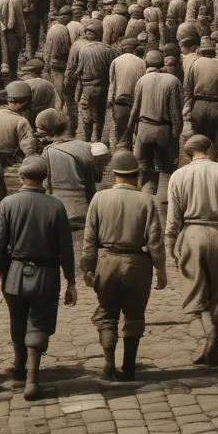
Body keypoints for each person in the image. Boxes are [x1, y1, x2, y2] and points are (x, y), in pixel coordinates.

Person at [0, 155, 76, 401]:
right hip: (46, 275)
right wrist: (71, 280)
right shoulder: (56, 206)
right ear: (44, 179)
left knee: (17, 320)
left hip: (14, 275)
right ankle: (32, 378)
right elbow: (65, 249)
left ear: (21, 177)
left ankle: (19, 366)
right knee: (38, 322)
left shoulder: (8, 203)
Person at [81, 150, 166, 382]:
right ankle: (129, 367)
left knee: (107, 315)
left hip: (107, 260)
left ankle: (108, 364)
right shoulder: (147, 200)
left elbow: (89, 238)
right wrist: (161, 268)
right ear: (137, 175)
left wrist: (87, 267)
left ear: (114, 175)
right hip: (138, 263)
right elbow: (155, 240)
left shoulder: (99, 198)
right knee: (134, 316)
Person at [165, 135, 218, 367]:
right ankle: (215, 343)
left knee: (196, 292)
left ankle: (210, 335)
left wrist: (169, 245)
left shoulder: (179, 175)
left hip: (192, 234)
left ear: (186, 151)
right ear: (210, 148)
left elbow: (173, 217)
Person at [126, 49, 184, 195]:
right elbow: (176, 113)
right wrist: (175, 137)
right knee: (166, 169)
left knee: (144, 168)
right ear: (162, 64)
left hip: (144, 129)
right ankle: (164, 201)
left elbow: (135, 109)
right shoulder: (172, 81)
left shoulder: (142, 80)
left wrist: (131, 131)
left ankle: (146, 195)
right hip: (164, 131)